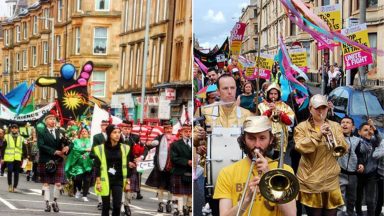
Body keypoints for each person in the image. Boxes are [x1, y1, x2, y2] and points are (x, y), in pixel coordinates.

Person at [213, 116, 296, 215]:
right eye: (251, 138)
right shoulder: (227, 173)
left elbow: (291, 214)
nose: (257, 145)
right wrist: (246, 200)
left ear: (271, 139)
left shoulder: (285, 171)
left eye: (262, 138)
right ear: (244, 140)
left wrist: (269, 175)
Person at [294, 94, 348, 216]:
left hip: (331, 179)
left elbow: (344, 148)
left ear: (327, 109)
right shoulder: (301, 127)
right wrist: (319, 135)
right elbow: (300, 147)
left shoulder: (335, 126)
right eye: (317, 108)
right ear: (310, 109)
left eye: (323, 108)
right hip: (310, 180)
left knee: (331, 213)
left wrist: (334, 138)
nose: (320, 111)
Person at [93, 124, 130, 216]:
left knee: (117, 206)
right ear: (109, 134)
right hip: (105, 180)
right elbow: (97, 166)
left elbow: (127, 166)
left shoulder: (125, 148)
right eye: (114, 132)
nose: (117, 135)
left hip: (119, 179)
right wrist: (98, 182)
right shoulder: (101, 148)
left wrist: (128, 183)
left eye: (119, 132)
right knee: (106, 206)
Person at [37, 113, 70, 212]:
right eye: (51, 119)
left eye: (54, 119)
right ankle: (47, 204)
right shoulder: (42, 132)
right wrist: (55, 151)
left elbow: (70, 142)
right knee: (46, 183)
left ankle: (55, 202)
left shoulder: (60, 131)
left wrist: (67, 147)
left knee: (59, 184)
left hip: (58, 161)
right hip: (46, 160)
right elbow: (41, 145)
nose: (53, 121)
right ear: (46, 121)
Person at [145, 121, 176, 213]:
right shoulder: (159, 137)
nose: (168, 130)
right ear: (164, 129)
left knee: (172, 186)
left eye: (170, 128)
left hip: (172, 166)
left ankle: (169, 203)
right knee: (161, 186)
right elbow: (150, 146)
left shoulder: (175, 138)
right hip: (160, 166)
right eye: (166, 128)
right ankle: (160, 203)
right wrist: (150, 143)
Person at [258, 83, 295, 156]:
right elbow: (259, 121)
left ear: (279, 95)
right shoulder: (261, 105)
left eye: (275, 94)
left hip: (280, 138)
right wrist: (269, 111)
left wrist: (280, 113)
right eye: (271, 94)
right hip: (266, 138)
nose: (273, 96)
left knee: (278, 161)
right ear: (268, 94)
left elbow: (290, 122)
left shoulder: (284, 106)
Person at [355, 120, 382, 216]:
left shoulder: (374, 140)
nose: (368, 132)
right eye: (365, 130)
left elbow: (380, 139)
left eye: (369, 130)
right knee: (358, 197)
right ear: (359, 132)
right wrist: (368, 138)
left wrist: (374, 129)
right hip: (358, 174)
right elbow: (363, 149)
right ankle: (359, 213)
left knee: (370, 200)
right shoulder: (357, 141)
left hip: (371, 174)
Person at [337, 117, 360, 216]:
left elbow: (360, 154)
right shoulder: (337, 138)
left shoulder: (358, 140)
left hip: (353, 174)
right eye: (342, 122)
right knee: (339, 198)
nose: (345, 124)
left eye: (348, 122)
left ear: (353, 127)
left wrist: (361, 163)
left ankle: (351, 213)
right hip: (340, 173)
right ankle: (339, 214)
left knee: (352, 198)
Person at [64, 127, 93, 202]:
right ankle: (79, 190)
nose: (84, 132)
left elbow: (92, 150)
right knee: (78, 178)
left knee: (87, 180)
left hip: (88, 163)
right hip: (78, 163)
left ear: (88, 133)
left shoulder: (91, 141)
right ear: (80, 133)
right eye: (82, 131)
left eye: (85, 131)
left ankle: (85, 195)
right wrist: (85, 150)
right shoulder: (77, 141)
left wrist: (86, 154)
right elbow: (76, 149)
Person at [170, 123, 192, 216]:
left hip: (191, 172)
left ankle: (188, 209)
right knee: (178, 193)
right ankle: (178, 210)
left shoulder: (194, 143)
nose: (188, 133)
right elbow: (174, 158)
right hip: (179, 171)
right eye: (186, 131)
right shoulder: (175, 144)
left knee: (190, 193)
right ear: (181, 132)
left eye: (189, 131)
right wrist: (187, 162)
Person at [1, 124, 27, 192]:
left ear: (18, 129)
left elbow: (24, 148)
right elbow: (3, 148)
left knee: (16, 173)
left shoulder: (21, 138)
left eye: (16, 128)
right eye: (13, 128)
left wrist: (25, 157)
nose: (14, 129)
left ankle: (14, 187)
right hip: (9, 158)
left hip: (18, 158)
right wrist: (2, 158)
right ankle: (10, 185)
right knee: (9, 170)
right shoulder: (6, 137)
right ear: (11, 129)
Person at [92, 119, 109, 210]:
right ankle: (100, 202)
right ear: (101, 126)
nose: (105, 127)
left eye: (106, 125)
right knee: (99, 182)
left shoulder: (112, 136)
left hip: (110, 163)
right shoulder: (97, 137)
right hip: (100, 162)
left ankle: (107, 201)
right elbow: (94, 150)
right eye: (103, 125)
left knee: (109, 182)